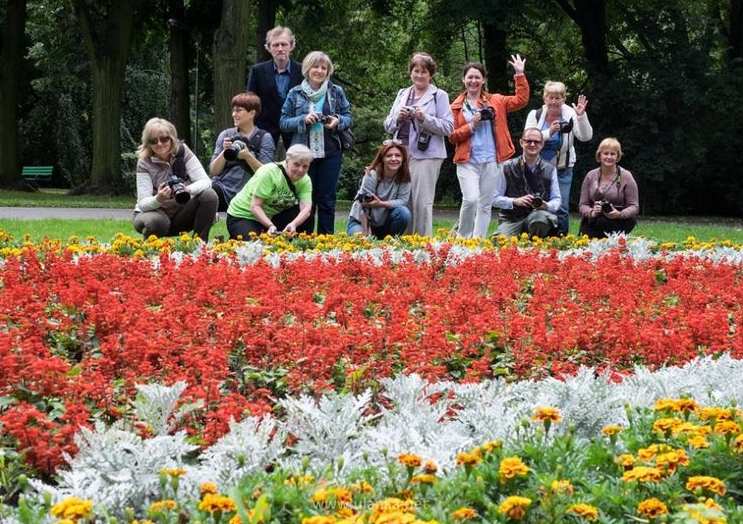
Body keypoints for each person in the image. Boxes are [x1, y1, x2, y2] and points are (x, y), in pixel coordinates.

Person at [449, 58, 529, 238]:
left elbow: (521, 100)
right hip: (467, 161)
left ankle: (477, 242)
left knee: (485, 204)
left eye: (477, 77)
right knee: (470, 199)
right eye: (470, 77)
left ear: (483, 80)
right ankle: (463, 239)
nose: (473, 81)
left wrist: (519, 74)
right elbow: (452, 136)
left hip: (493, 160)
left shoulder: (497, 101)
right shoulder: (455, 107)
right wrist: (471, 125)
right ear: (463, 80)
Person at [280, 51, 352, 235]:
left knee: (327, 199)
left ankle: (326, 240)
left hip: (331, 152)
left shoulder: (336, 92)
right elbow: (283, 122)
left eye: (324, 68)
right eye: (316, 66)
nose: (319, 71)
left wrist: (337, 121)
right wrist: (303, 119)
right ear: (307, 69)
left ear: (328, 71)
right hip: (304, 155)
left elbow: (348, 118)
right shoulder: (294, 93)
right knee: (306, 198)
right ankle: (306, 238)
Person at [383, 52, 454, 237]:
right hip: (400, 153)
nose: (420, 75)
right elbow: (387, 124)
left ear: (430, 74)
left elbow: (448, 127)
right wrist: (398, 118)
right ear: (410, 72)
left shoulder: (439, 95)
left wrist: (424, 118)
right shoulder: (402, 94)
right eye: (416, 71)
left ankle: (423, 244)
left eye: (424, 71)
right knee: (403, 201)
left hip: (428, 154)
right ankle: (405, 244)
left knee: (422, 202)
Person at [132, 117, 218, 241]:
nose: (160, 144)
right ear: (147, 143)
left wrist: (188, 189)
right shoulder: (144, 162)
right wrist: (159, 198)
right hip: (152, 213)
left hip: (181, 213)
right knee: (157, 222)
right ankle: (149, 250)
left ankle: (199, 246)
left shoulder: (182, 151)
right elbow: (143, 204)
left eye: (164, 139)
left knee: (209, 195)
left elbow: (206, 181)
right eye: (153, 141)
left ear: (172, 138)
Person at [525, 81, 592, 236]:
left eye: (558, 98)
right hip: (538, 169)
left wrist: (581, 116)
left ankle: (561, 240)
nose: (554, 101)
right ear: (544, 98)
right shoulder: (535, 115)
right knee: (535, 203)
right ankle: (534, 237)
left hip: (563, 168)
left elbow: (585, 137)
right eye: (551, 97)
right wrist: (550, 131)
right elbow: (528, 137)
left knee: (561, 207)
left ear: (564, 99)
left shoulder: (570, 114)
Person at [226, 144, 314, 239]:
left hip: (272, 216)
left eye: (305, 166)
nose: (300, 170)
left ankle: (300, 248)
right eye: (296, 164)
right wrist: (270, 225)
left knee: (307, 217)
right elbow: (255, 206)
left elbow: (306, 208)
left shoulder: (305, 180)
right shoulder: (269, 172)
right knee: (254, 246)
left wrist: (294, 224)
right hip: (244, 215)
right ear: (287, 161)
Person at [209, 92, 275, 212]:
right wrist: (224, 152)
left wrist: (248, 156)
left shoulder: (264, 138)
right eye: (233, 110)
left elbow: (267, 175)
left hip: (249, 194)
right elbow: (213, 171)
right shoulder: (226, 135)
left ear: (252, 113)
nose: (234, 114)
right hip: (222, 189)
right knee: (205, 194)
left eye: (239, 110)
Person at [493, 127, 561, 238]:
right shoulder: (506, 167)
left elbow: (557, 199)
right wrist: (515, 201)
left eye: (537, 142)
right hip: (512, 219)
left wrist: (546, 205)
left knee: (539, 220)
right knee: (501, 243)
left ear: (542, 144)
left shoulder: (550, 169)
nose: (532, 144)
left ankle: (536, 247)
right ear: (521, 142)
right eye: (529, 141)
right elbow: (494, 198)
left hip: (537, 215)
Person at [247, 26, 303, 151]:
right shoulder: (257, 71)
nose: (280, 49)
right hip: (265, 129)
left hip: (296, 130)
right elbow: (250, 102)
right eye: (275, 45)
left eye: (284, 44)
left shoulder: (304, 71)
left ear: (291, 46)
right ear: (268, 48)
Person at [347, 140, 411, 239]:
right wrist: (367, 232)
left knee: (404, 213)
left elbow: (403, 201)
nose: (394, 159)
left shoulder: (405, 176)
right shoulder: (372, 174)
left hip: (385, 224)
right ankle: (364, 234)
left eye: (398, 155)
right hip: (361, 220)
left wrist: (381, 204)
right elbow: (362, 205)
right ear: (382, 158)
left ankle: (391, 241)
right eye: (389, 156)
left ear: (403, 159)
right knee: (360, 241)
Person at [578, 138, 639, 238]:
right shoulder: (590, 175)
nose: (609, 157)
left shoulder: (626, 176)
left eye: (613, 154)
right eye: (605, 153)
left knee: (604, 223)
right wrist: (592, 212)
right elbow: (582, 205)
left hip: (618, 221)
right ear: (599, 155)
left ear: (618, 156)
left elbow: (634, 206)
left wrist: (619, 214)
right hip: (594, 219)